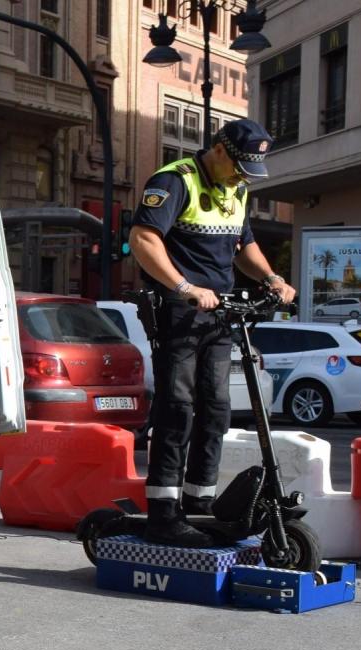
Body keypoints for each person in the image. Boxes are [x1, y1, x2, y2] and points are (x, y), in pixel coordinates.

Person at [130, 118, 298, 547]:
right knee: (177, 408)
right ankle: (164, 513)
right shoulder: (174, 181)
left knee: (217, 408)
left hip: (220, 313)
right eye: (241, 166)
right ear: (220, 150)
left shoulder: (236, 189)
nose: (244, 177)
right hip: (181, 311)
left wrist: (273, 280)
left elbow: (244, 247)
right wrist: (185, 288)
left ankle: (199, 502)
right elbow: (144, 239)